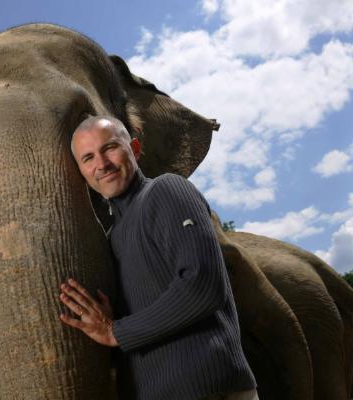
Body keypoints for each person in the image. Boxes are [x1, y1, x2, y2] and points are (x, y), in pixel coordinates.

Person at [58, 116, 258, 400]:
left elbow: (202, 284)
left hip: (210, 389)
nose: (102, 164)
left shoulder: (166, 190)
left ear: (135, 149)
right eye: (88, 158)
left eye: (110, 148)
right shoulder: (113, 236)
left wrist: (116, 331)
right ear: (81, 171)